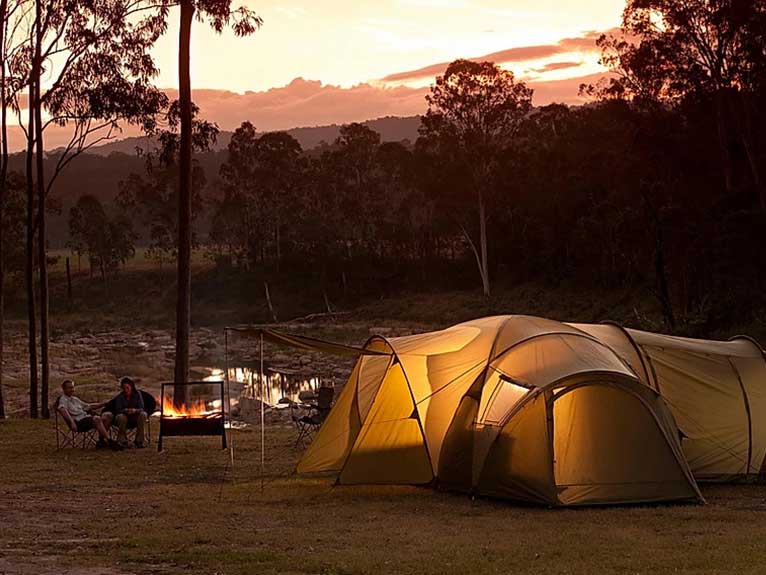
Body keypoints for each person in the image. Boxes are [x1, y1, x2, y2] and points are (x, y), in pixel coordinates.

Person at [57, 380, 118, 449]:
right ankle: (110, 441)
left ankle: (101, 441)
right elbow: (62, 409)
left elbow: (88, 406)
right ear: (64, 389)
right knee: (97, 419)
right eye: (69, 388)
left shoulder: (75, 399)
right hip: (78, 422)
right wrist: (72, 422)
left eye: (73, 387)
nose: (72, 390)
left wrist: (103, 404)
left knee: (107, 417)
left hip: (86, 418)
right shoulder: (63, 399)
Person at [112, 376, 147, 448]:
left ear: (131, 387)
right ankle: (123, 441)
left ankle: (139, 441)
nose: (126, 390)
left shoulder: (137, 394)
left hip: (135, 416)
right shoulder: (120, 397)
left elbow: (142, 408)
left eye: (127, 388)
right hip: (124, 416)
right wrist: (125, 410)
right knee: (120, 417)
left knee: (143, 414)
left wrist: (135, 410)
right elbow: (118, 410)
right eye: (124, 388)